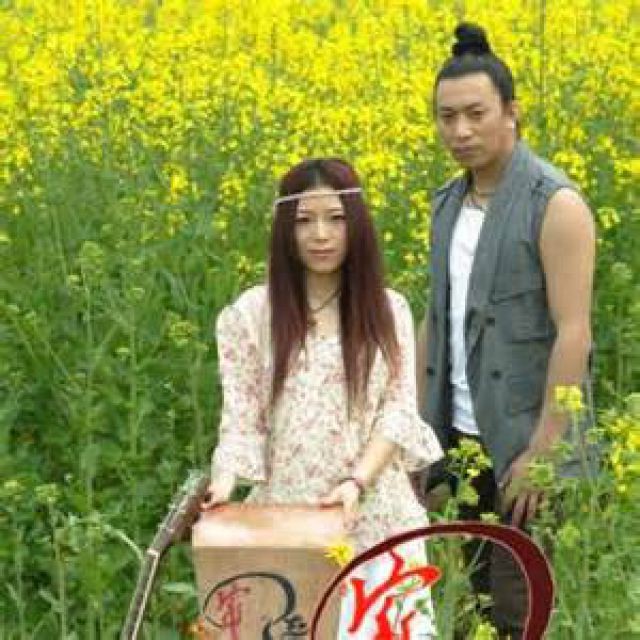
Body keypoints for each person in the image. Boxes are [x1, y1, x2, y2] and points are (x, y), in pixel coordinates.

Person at [202, 158, 443, 638]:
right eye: (304, 221)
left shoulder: (387, 309)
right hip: (290, 525)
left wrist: (356, 483)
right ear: (284, 230)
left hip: (378, 522)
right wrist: (223, 486)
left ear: (356, 225)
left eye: (335, 219)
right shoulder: (250, 315)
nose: (320, 235)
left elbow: (397, 411)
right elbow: (242, 420)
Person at [414, 23, 597, 639]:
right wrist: (417, 433)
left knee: (519, 615)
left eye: (476, 114)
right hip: (462, 438)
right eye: (446, 117)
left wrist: (543, 454)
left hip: (524, 442)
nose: (460, 131)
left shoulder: (555, 204)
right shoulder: (446, 203)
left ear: (512, 111)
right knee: (473, 606)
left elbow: (574, 333)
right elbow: (435, 318)